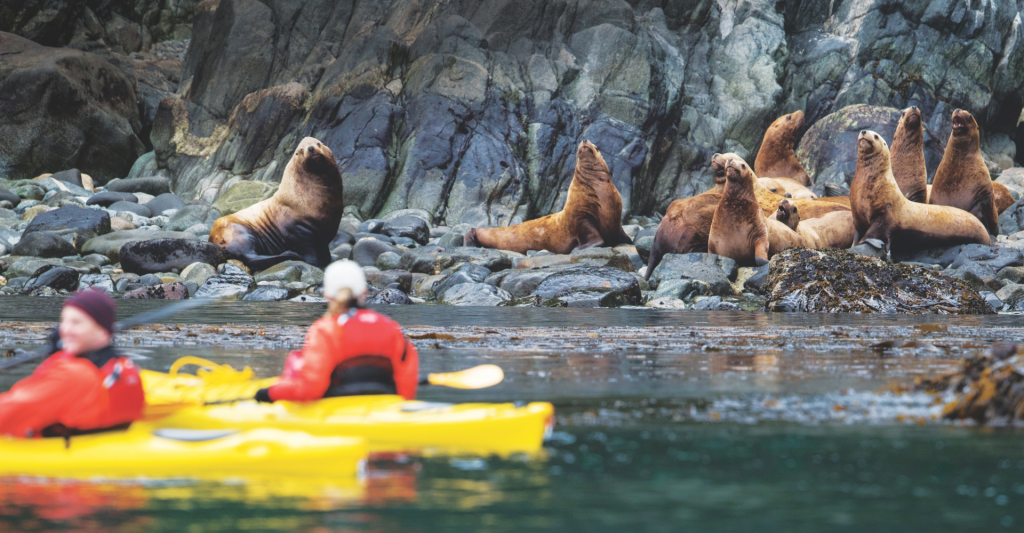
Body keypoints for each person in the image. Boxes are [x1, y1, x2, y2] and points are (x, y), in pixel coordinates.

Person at [255, 260, 419, 403]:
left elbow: (310, 388)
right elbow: (407, 387)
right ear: (365, 292)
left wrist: (267, 393)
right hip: (386, 411)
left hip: (338, 411)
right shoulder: (390, 327)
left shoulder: (325, 330)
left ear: (327, 294)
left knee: (295, 361)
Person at [0, 289, 144, 438]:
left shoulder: (73, 375)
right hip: (104, 448)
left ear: (102, 331)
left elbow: (9, 412)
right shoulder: (123, 366)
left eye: (76, 322)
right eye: (64, 321)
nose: (65, 330)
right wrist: (61, 355)